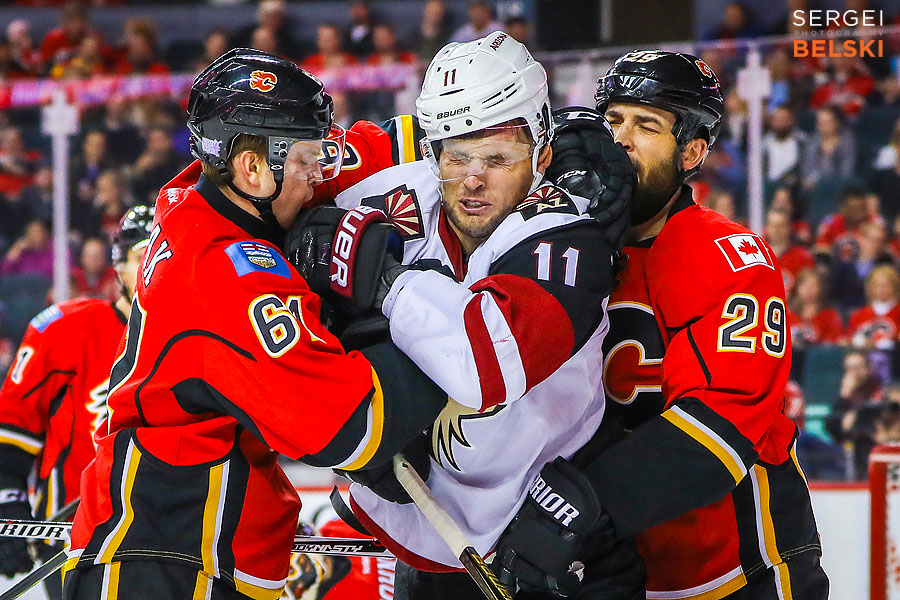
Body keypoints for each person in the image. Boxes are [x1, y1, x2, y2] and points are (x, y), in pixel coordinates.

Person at [62, 49, 451, 600]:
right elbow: (348, 425)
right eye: (308, 161)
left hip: (187, 547)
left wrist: (464, 134)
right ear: (251, 167)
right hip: (168, 557)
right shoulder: (223, 272)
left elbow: (358, 152)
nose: (320, 176)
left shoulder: (205, 195)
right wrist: (452, 333)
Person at [287, 32, 641, 599]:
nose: (473, 179)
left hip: (555, 544)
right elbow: (257, 189)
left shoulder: (568, 236)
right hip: (423, 545)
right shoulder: (394, 196)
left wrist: (382, 281)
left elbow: (485, 362)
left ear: (542, 154)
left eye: (498, 159)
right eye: (456, 157)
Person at [491, 50, 829, 599]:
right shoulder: (555, 246)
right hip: (618, 571)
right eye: (613, 120)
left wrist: (577, 504)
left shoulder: (723, 253)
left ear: (691, 152)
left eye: (646, 126)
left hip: (740, 569)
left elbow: (720, 424)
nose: (621, 140)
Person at [0, 206, 154, 600]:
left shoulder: (200, 340)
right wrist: (7, 499)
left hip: (166, 538)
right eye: (143, 255)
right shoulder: (66, 329)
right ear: (118, 267)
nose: (156, 268)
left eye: (166, 255)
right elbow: (12, 426)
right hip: (74, 538)